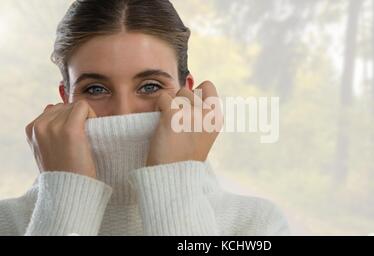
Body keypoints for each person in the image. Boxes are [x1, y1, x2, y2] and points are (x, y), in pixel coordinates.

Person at [0, 0, 290, 236]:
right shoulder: (8, 223)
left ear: (186, 93)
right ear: (66, 99)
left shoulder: (257, 226)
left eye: (150, 86)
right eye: (96, 89)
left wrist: (174, 186)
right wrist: (64, 201)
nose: (124, 112)